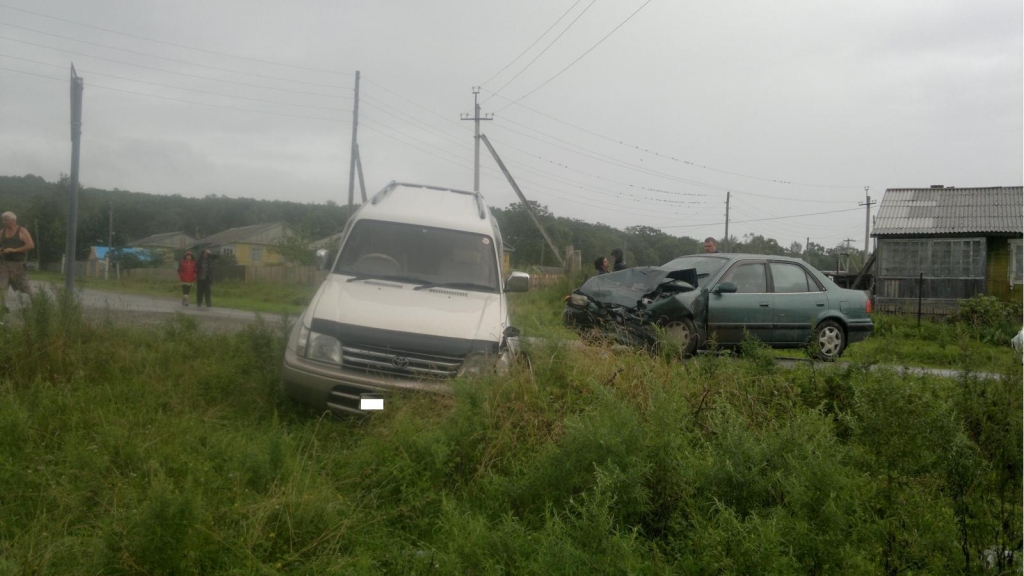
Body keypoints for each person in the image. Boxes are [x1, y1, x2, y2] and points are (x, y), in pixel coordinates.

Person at [0, 212, 34, 308]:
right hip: (4, 264)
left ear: (13, 220)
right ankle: (3, 307)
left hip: (19, 264)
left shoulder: (22, 231)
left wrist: (14, 250)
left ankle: (36, 303)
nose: (3, 222)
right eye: (3, 220)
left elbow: (30, 245)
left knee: (25, 287)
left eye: (5, 220)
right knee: (2, 285)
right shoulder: (2, 232)